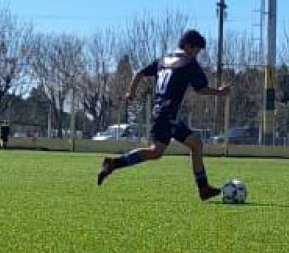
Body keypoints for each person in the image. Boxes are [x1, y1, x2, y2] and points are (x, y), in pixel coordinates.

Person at [96, 30, 230, 200]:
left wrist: (131, 93)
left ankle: (203, 188)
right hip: (168, 115)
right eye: (196, 50)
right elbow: (200, 88)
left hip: (162, 112)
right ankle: (113, 163)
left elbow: (139, 73)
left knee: (195, 144)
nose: (196, 55)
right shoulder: (189, 63)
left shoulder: (163, 60)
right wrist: (220, 92)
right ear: (188, 46)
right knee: (156, 152)